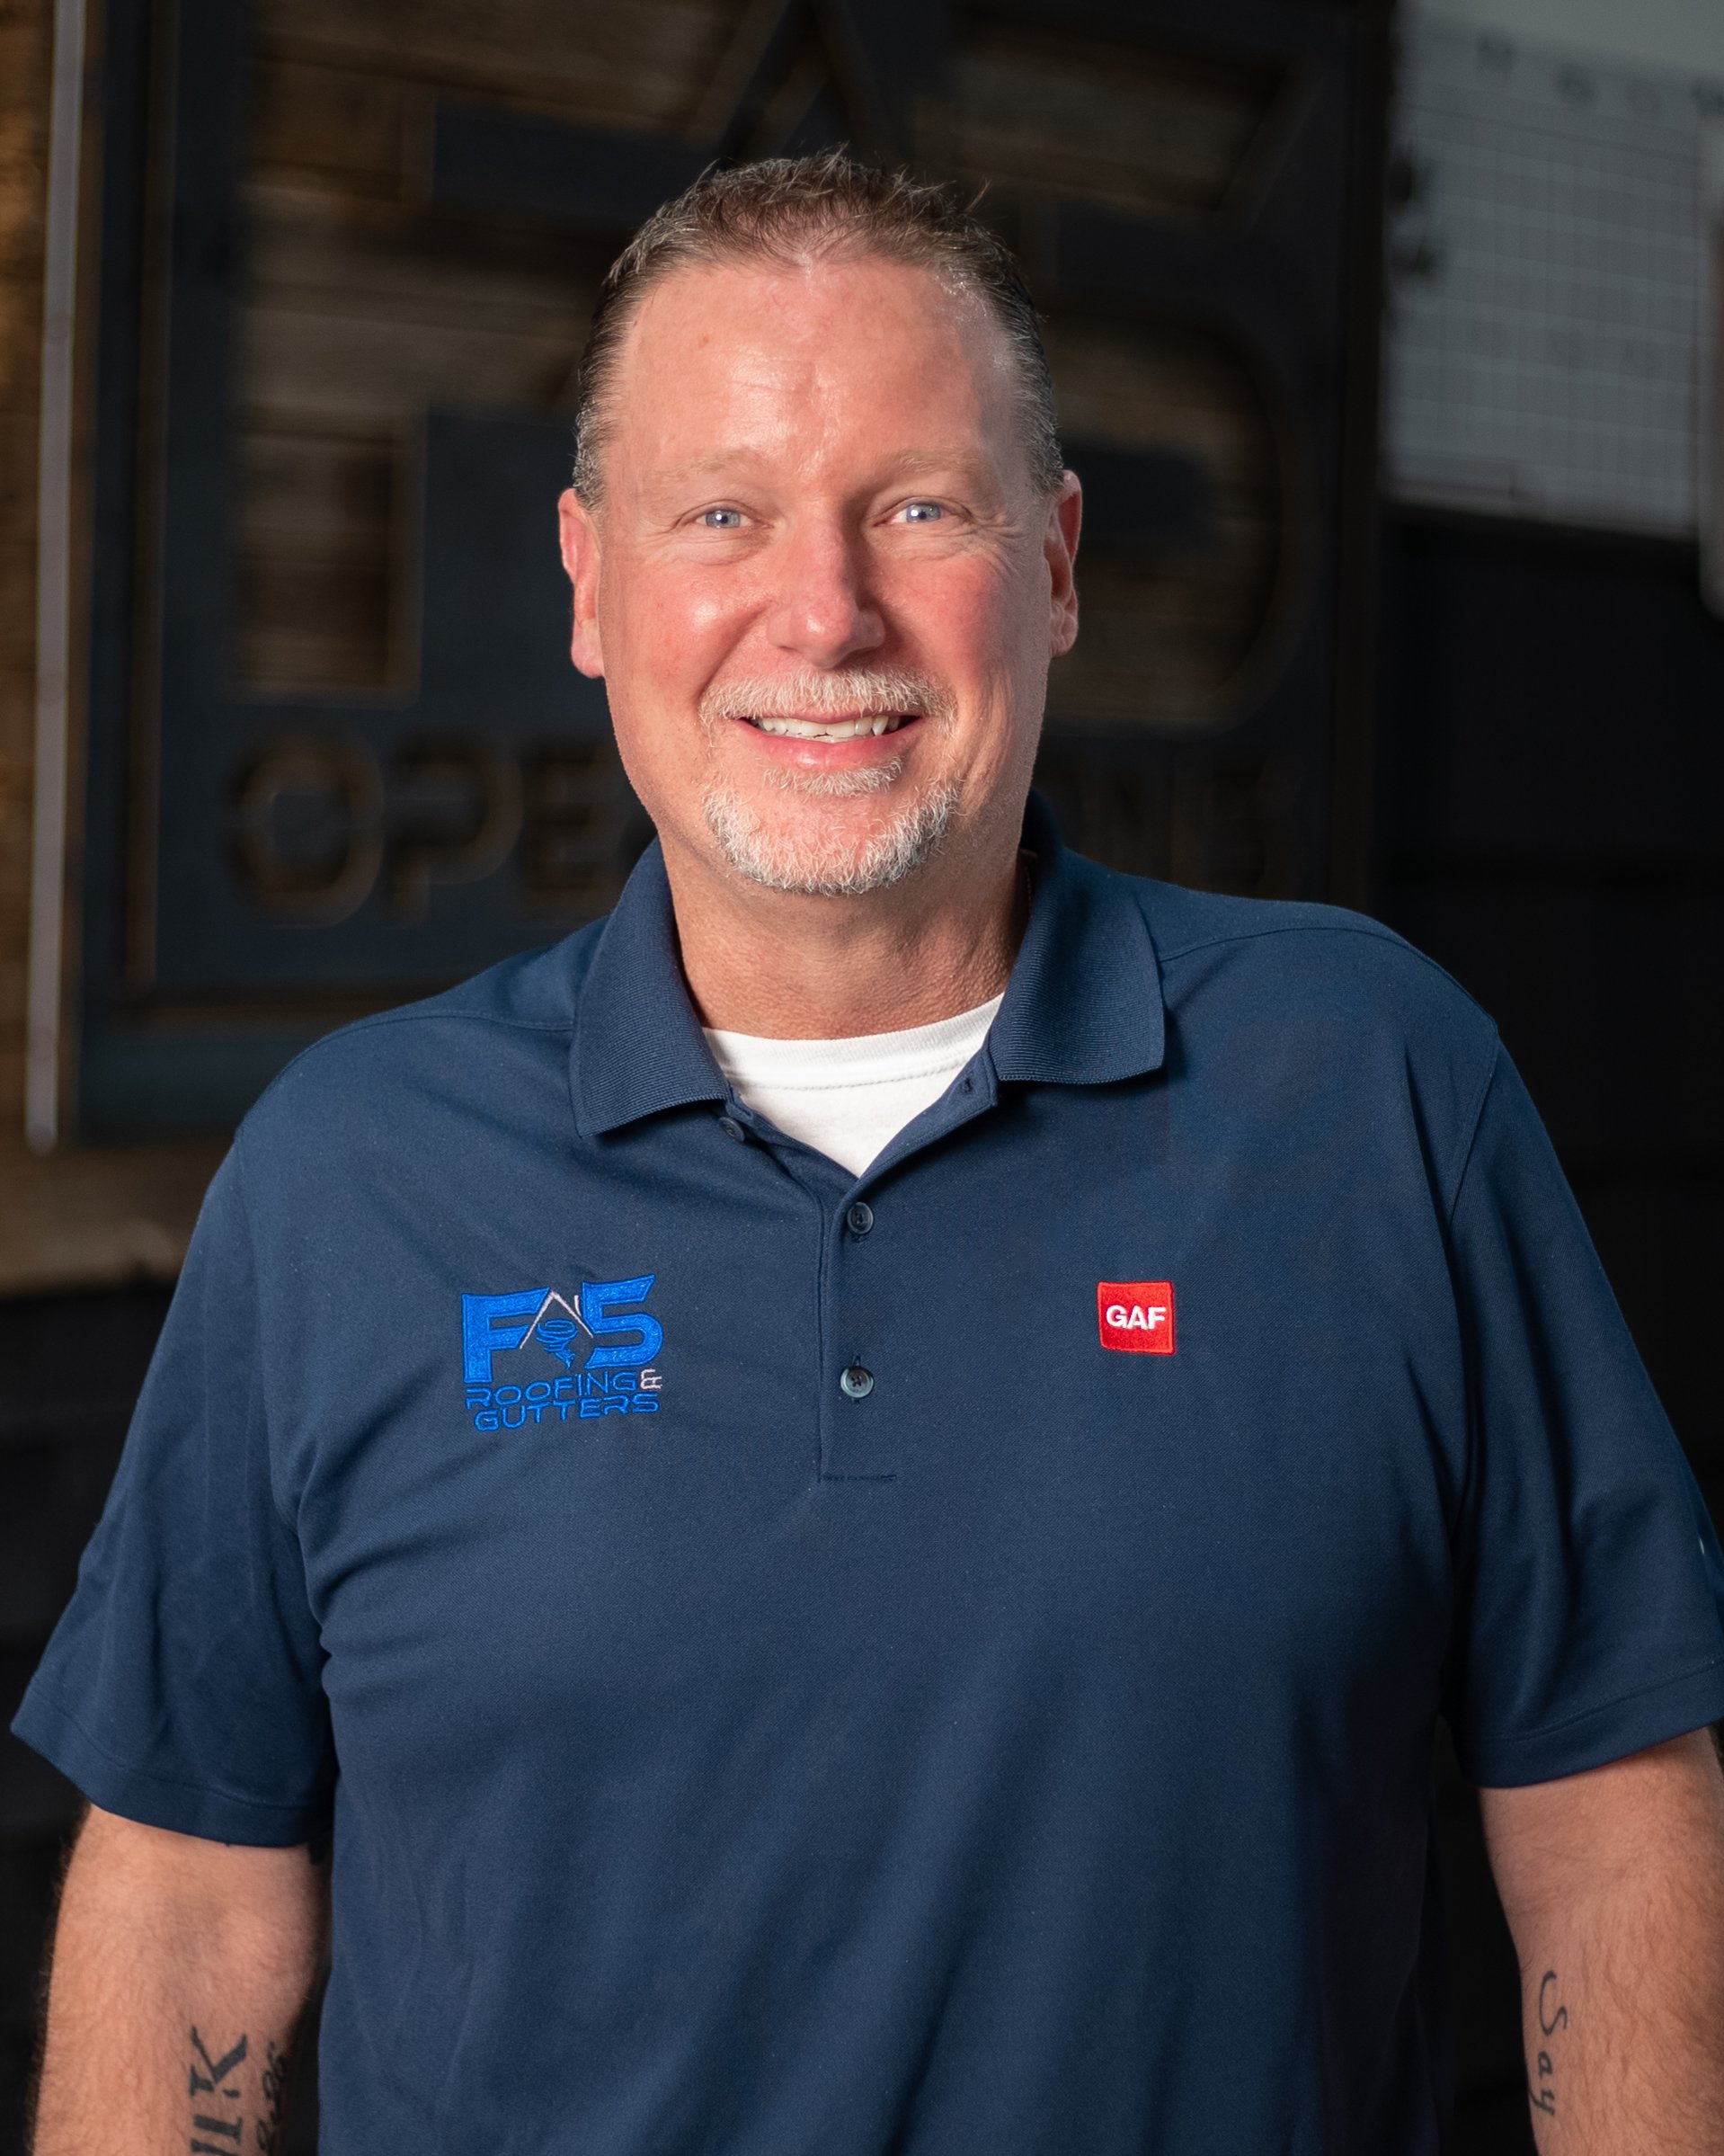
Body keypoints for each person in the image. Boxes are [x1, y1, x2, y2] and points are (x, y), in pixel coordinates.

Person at [17, 153, 1724, 2155]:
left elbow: (1608, 1798)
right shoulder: (351, 1171)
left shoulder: (1372, 1084)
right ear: (587, 583)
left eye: (916, 507)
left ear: (1059, 562)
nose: (820, 612)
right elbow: (194, 1896)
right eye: (720, 513)